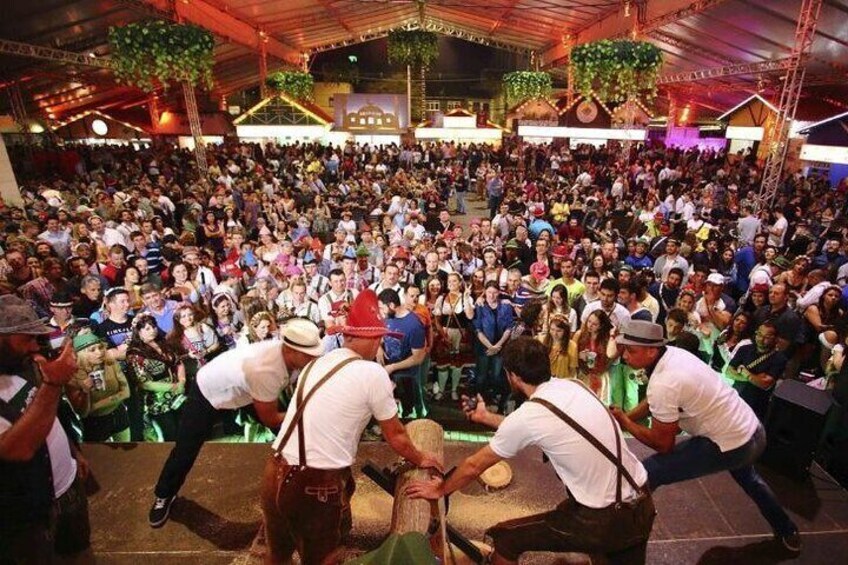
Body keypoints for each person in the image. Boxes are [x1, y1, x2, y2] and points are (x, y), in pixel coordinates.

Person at [406, 337, 655, 565]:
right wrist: (485, 417)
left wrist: (440, 489)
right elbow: (538, 428)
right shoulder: (574, 386)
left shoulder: (530, 415)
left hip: (601, 519)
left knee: (505, 539)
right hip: (641, 504)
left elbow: (474, 465)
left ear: (512, 376)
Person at [260, 290, 441, 564]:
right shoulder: (372, 373)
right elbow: (396, 436)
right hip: (313, 484)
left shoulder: (317, 364)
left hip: (274, 471)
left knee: (278, 556)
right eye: (378, 338)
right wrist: (421, 457)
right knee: (324, 559)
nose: (380, 344)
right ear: (363, 338)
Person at [610, 319, 801, 554]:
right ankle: (788, 530)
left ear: (652, 350)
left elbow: (663, 444)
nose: (624, 355)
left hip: (732, 444)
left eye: (630, 350)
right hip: (752, 430)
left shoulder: (664, 382)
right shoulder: (672, 354)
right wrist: (626, 416)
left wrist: (625, 421)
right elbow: (653, 402)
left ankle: (624, 538)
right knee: (751, 480)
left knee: (648, 473)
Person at [148, 318, 323, 528]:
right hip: (208, 393)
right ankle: (164, 495)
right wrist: (302, 411)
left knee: (290, 433)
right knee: (186, 449)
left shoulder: (291, 357)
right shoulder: (266, 371)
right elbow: (269, 417)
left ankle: (308, 480)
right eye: (310, 354)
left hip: (246, 390)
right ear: (291, 350)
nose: (315, 357)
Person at [0, 295, 91, 563]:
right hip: (28, 512)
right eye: (26, 339)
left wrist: (73, 452)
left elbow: (49, 413)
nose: (34, 347)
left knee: (80, 553)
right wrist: (54, 384)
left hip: (68, 486)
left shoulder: (23, 364)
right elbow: (16, 449)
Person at [378, 289, 427, 419]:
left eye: (382, 308)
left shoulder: (414, 325)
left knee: (408, 415)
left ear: (392, 306)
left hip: (406, 378)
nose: (381, 312)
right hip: (389, 374)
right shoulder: (387, 317)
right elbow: (381, 335)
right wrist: (379, 347)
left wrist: (393, 367)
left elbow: (418, 358)